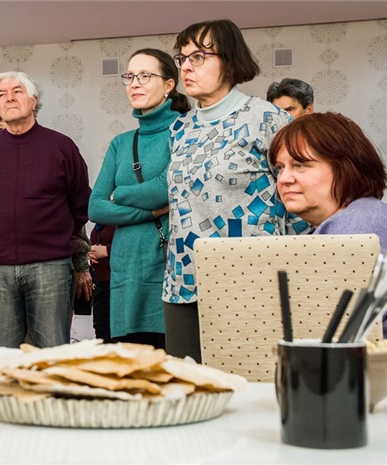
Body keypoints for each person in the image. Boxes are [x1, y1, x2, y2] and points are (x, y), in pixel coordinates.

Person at [165, 19, 307, 362]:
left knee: (252, 385)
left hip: (251, 279)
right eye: (182, 58)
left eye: (198, 57)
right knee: (186, 385)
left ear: (229, 60)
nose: (186, 67)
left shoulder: (268, 119)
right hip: (184, 282)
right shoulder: (179, 129)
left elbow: (300, 201)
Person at [0, 71, 90, 351]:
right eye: (2, 94)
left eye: (17, 91)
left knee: (52, 355)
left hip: (51, 267)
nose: (9, 98)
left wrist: (55, 236)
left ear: (33, 100)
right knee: (2, 357)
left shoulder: (61, 146)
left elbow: (80, 205)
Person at [89, 48, 191, 349]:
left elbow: (165, 187)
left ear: (169, 84)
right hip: (126, 270)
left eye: (145, 75)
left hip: (168, 263)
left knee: (174, 363)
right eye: (130, 76)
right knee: (130, 367)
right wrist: (152, 212)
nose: (135, 83)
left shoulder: (186, 131)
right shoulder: (121, 143)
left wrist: (120, 194)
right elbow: (95, 206)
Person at [270, 112, 387, 251]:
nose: (284, 179)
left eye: (299, 165)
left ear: (344, 168)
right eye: (280, 168)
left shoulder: (356, 231)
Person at [88, 224, 116, 342]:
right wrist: (90, 252)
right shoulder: (99, 224)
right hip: (101, 285)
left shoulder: (120, 221)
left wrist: (107, 251)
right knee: (102, 333)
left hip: (117, 285)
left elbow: (131, 245)